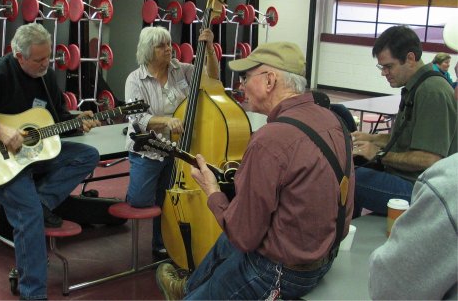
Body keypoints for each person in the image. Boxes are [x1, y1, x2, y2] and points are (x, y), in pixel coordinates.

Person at [155, 42, 355, 300]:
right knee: (225, 242)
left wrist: (213, 192)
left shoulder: (269, 139)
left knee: (232, 235)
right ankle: (187, 287)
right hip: (324, 258)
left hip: (282, 273)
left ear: (270, 80)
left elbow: (244, 237)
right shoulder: (334, 120)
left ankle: (189, 293)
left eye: (245, 77)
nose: (240, 85)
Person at [0, 22, 100, 300]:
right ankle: (33, 294)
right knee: (30, 218)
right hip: (1, 162)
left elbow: (54, 120)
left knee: (87, 155)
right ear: (19, 56)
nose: (45, 64)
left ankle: (42, 200)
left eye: (47, 57)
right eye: (38, 59)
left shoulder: (45, 77)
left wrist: (76, 123)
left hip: (33, 157)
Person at [123, 26, 220, 259]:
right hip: (148, 149)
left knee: (168, 201)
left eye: (169, 44)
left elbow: (213, 79)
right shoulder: (135, 80)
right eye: (162, 46)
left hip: (177, 148)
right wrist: (166, 121)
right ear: (149, 51)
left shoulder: (182, 70)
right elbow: (139, 119)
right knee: (140, 201)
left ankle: (162, 244)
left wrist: (209, 50)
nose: (169, 49)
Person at [352, 25, 456, 218]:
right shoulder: (418, 86)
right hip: (411, 180)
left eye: (388, 66)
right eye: (382, 67)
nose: (384, 73)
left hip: (423, 190)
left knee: (350, 178)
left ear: (410, 58)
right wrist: (370, 138)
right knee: (352, 167)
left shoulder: (432, 91)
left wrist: (379, 153)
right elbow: (406, 140)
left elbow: (429, 159)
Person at [368, 153, 458, 300]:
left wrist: (378, 154)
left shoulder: (448, 185)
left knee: (356, 175)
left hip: (409, 185)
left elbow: (390, 290)